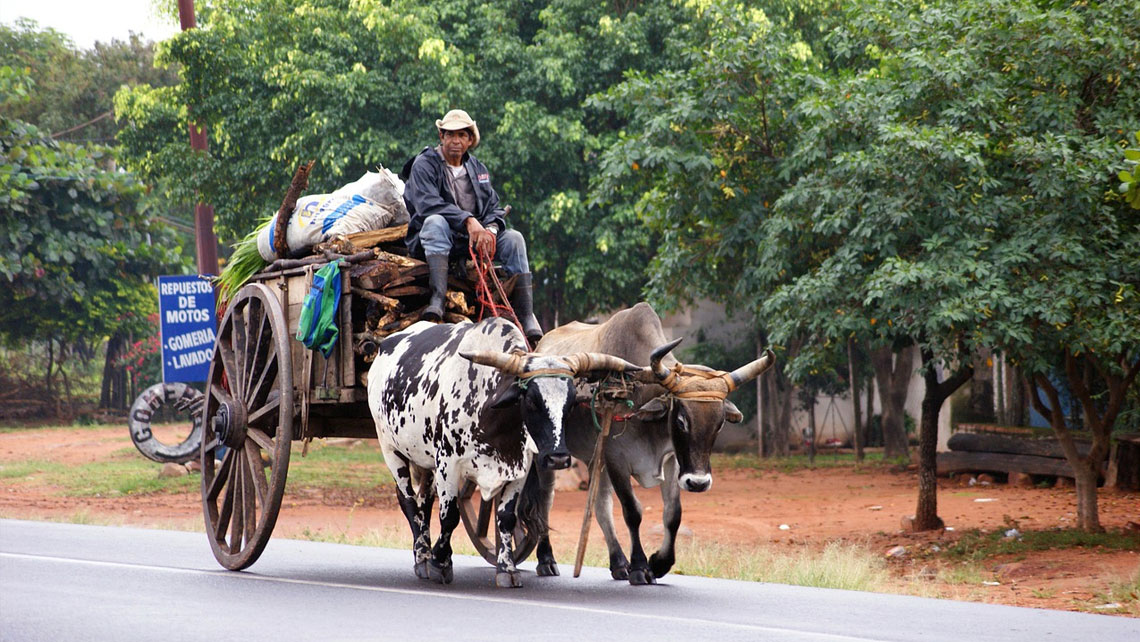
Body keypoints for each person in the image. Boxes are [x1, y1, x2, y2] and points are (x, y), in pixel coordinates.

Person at [401, 109, 543, 342]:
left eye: (462, 135)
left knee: (515, 238)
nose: (455, 141)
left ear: (469, 140)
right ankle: (437, 299)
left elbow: (493, 208)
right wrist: (468, 221)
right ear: (441, 137)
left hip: (471, 242)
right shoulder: (424, 164)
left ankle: (526, 315)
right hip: (435, 238)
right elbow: (427, 205)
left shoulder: (478, 169)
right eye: (450, 135)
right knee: (435, 222)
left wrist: (490, 231)